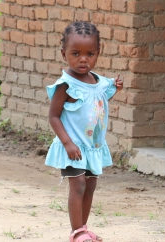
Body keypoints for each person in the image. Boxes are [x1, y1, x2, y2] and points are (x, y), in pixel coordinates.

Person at [44, 21, 123, 242]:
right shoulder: (65, 85)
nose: (83, 59)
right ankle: (76, 232)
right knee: (77, 184)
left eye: (90, 54)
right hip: (73, 147)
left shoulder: (98, 82)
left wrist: (114, 88)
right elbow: (53, 116)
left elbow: (97, 101)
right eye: (76, 53)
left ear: (98, 53)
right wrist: (68, 143)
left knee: (90, 185)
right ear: (63, 53)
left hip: (92, 148)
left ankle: (84, 228)